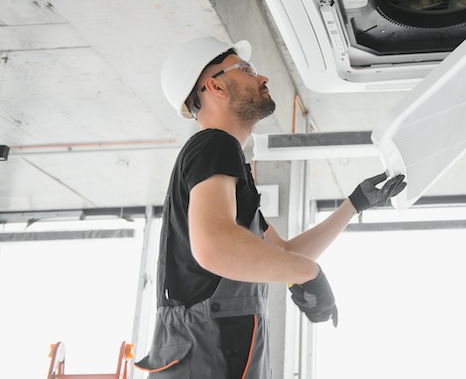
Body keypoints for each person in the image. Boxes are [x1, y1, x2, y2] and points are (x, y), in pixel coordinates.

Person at [134, 37, 405, 378]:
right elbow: (215, 246)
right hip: (210, 350)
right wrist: (308, 275)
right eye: (246, 70)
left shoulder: (225, 163)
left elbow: (286, 252)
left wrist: (354, 204)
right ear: (214, 85)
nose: (263, 79)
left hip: (217, 350)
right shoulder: (215, 144)